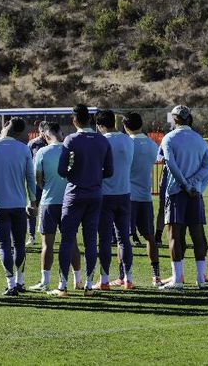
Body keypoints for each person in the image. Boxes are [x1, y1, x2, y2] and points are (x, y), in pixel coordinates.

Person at [50, 104, 112, 297]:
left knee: (67, 239)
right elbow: (109, 171)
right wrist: (94, 176)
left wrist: (74, 174)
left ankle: (62, 286)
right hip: (95, 194)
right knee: (91, 240)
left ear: (74, 119)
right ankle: (88, 286)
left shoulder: (71, 139)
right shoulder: (102, 140)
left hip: (75, 194)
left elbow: (61, 170)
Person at [0, 118, 37, 296]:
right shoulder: (24, 149)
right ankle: (20, 281)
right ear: (19, 133)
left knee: (4, 245)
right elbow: (30, 178)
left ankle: (11, 284)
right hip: (18, 204)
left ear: (5, 126)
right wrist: (32, 201)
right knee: (19, 244)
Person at [159, 106, 208, 290]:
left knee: (174, 235)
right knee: (198, 235)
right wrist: (194, 184)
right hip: (195, 193)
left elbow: (171, 164)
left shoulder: (169, 138)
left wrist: (184, 184)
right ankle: (201, 279)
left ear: (174, 119)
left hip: (176, 192)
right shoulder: (199, 139)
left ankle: (177, 279)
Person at [28, 122, 83, 291]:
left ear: (45, 136)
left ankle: (45, 282)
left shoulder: (42, 152)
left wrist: (46, 187)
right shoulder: (71, 151)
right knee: (71, 242)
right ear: (61, 133)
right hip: (69, 201)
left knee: (47, 244)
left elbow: (38, 179)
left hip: (49, 202)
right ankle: (78, 281)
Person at [95, 109, 134, 290]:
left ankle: (104, 280)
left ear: (100, 125)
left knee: (104, 239)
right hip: (125, 193)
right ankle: (128, 279)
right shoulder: (128, 140)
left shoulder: (102, 141)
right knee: (124, 238)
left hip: (105, 195)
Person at [122, 113, 162, 286]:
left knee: (123, 238)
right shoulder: (152, 145)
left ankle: (124, 277)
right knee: (149, 237)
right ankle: (156, 275)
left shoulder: (127, 143)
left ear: (125, 127)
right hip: (145, 196)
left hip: (128, 195)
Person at [26, 122, 51, 246]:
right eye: (43, 131)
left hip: (50, 181)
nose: (45, 134)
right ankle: (31, 236)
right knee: (32, 207)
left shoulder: (52, 142)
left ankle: (51, 232)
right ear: (40, 131)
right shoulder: (33, 144)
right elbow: (28, 161)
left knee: (52, 208)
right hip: (36, 182)